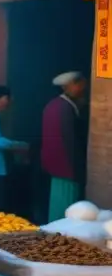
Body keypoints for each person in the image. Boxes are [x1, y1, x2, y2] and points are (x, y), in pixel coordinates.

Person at [42, 71, 89, 222]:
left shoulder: (54, 105)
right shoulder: (65, 108)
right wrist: (77, 166)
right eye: (80, 85)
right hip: (66, 164)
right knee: (66, 203)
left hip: (55, 163)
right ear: (71, 86)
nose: (83, 89)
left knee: (57, 201)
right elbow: (70, 139)